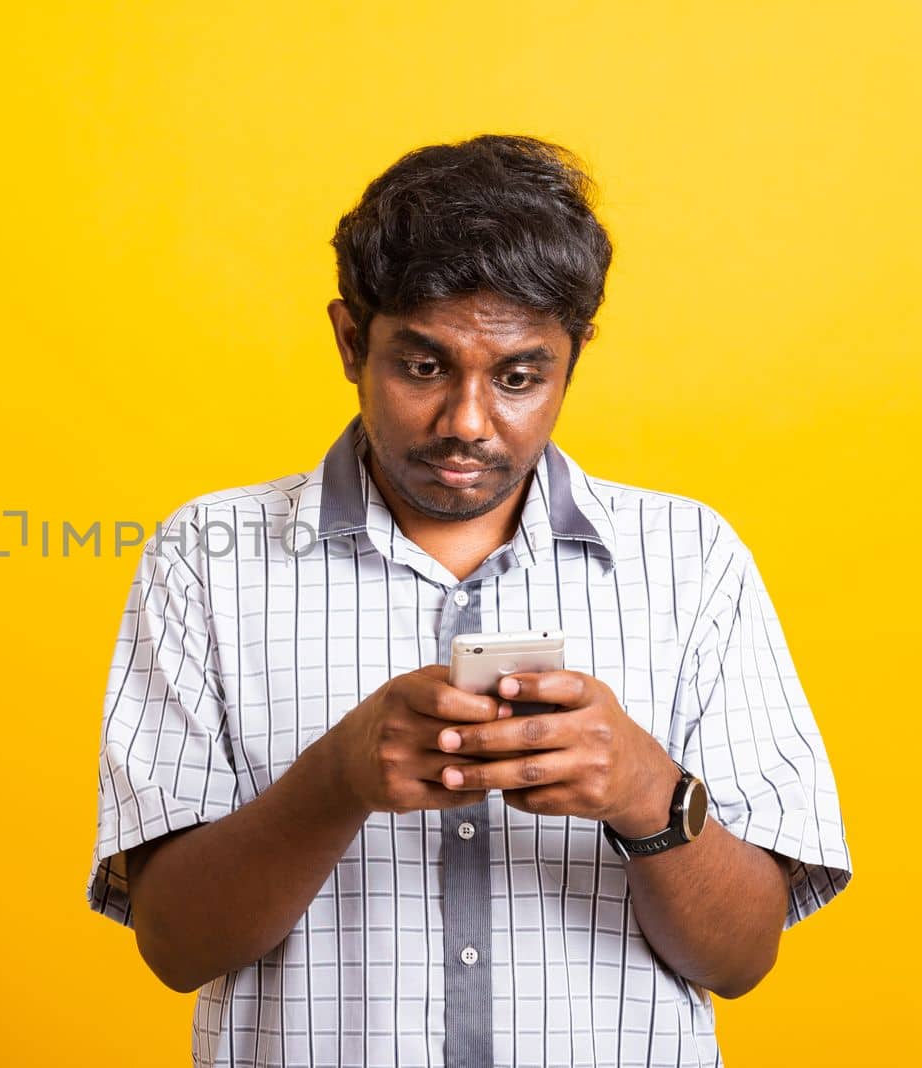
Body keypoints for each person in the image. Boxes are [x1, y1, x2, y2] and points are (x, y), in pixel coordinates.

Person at [85, 134, 850, 1068]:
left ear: (574, 360)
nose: (468, 423)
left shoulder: (693, 560)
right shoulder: (206, 559)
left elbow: (741, 959)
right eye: (423, 366)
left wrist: (647, 792)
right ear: (348, 339)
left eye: (520, 377)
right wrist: (336, 782)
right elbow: (175, 945)